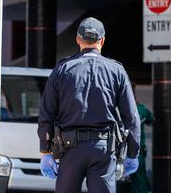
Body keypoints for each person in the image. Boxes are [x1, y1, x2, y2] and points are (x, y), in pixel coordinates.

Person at [38, 17, 141, 193]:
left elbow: (46, 113)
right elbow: (131, 117)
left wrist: (45, 152)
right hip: (103, 148)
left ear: (78, 39)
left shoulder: (62, 70)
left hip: (69, 148)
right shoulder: (117, 71)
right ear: (102, 40)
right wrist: (133, 153)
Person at [130, 83, 154, 193]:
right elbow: (151, 120)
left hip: (119, 153)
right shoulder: (141, 109)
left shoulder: (117, 109)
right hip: (137, 153)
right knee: (140, 182)